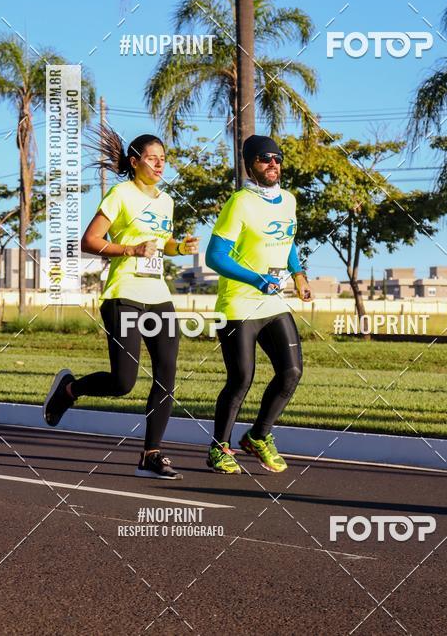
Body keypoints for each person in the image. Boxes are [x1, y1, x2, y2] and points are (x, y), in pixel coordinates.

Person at [43, 126, 199, 479]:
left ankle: (151, 454)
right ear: (134, 161)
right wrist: (129, 249)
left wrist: (179, 247)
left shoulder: (166, 201)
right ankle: (70, 389)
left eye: (164, 159)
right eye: (153, 158)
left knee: (166, 374)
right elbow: (90, 240)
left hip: (159, 296)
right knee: (122, 382)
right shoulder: (120, 194)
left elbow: (159, 243)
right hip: (124, 295)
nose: (160, 164)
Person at [205, 135, 312, 474]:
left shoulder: (289, 201)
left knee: (292, 371)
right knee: (241, 379)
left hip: (273, 304)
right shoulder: (239, 203)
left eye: (278, 158)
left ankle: (258, 436)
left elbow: (287, 240)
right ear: (250, 164)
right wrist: (254, 279)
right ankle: (218, 448)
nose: (273, 164)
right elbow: (214, 256)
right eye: (265, 159)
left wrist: (298, 274)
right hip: (238, 305)